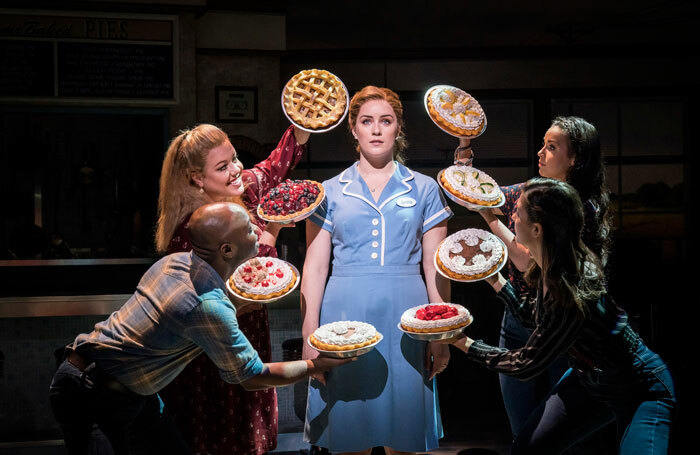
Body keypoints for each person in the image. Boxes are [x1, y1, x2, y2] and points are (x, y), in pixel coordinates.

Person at [49, 202, 351, 455]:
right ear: (228, 249)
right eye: (249, 228)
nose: (258, 232)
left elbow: (192, 314)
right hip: (90, 392)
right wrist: (315, 365)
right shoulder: (208, 306)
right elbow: (253, 377)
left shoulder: (174, 261)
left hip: (128, 389)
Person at [439, 178, 676, 454]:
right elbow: (538, 319)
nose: (513, 214)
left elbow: (526, 363)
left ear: (537, 229)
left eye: (519, 211)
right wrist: (495, 280)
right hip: (589, 381)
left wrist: (464, 343)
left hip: (640, 388)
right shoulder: (551, 264)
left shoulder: (570, 285)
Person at [301, 86, 453, 454]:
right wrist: (309, 336)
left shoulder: (425, 188)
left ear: (398, 128)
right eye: (366, 121)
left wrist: (441, 332)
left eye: (386, 121)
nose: (376, 129)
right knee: (348, 433)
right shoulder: (329, 191)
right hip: (342, 315)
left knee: (404, 434)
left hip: (407, 316)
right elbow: (315, 266)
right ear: (353, 129)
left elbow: (437, 268)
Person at [155, 122, 309, 454]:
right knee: (219, 437)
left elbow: (273, 166)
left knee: (249, 435)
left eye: (234, 158)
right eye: (222, 167)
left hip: (250, 335)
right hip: (212, 350)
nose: (237, 169)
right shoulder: (194, 227)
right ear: (197, 178)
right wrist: (276, 227)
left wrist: (303, 126)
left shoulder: (244, 191)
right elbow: (249, 284)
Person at [461, 116, 614, 442]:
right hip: (518, 316)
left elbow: (525, 259)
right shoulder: (532, 190)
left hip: (560, 326)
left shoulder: (578, 209)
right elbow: (477, 191)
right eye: (543, 144)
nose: (540, 153)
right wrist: (462, 147)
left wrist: (488, 216)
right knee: (524, 432)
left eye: (552, 147)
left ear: (574, 159)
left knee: (557, 433)